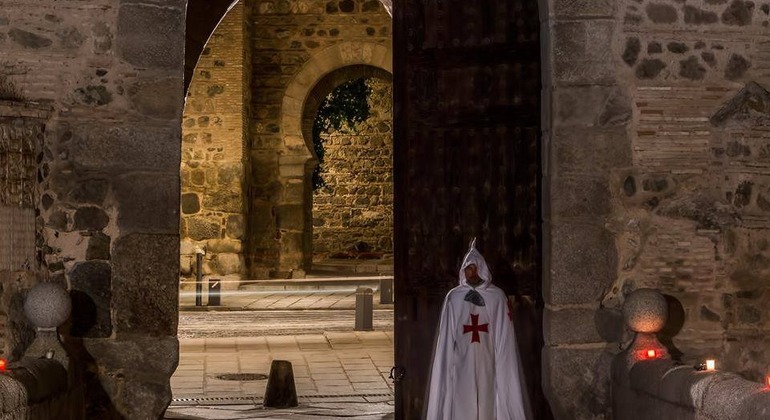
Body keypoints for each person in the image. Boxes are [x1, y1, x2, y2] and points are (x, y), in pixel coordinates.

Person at [425, 239, 531, 420]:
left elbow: (504, 337)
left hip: (488, 363)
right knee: (461, 404)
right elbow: (446, 340)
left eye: (474, 267)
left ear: (482, 268)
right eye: (468, 268)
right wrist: (447, 367)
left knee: (487, 404)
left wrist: (501, 368)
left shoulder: (496, 297)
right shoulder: (454, 297)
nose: (471, 272)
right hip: (460, 364)